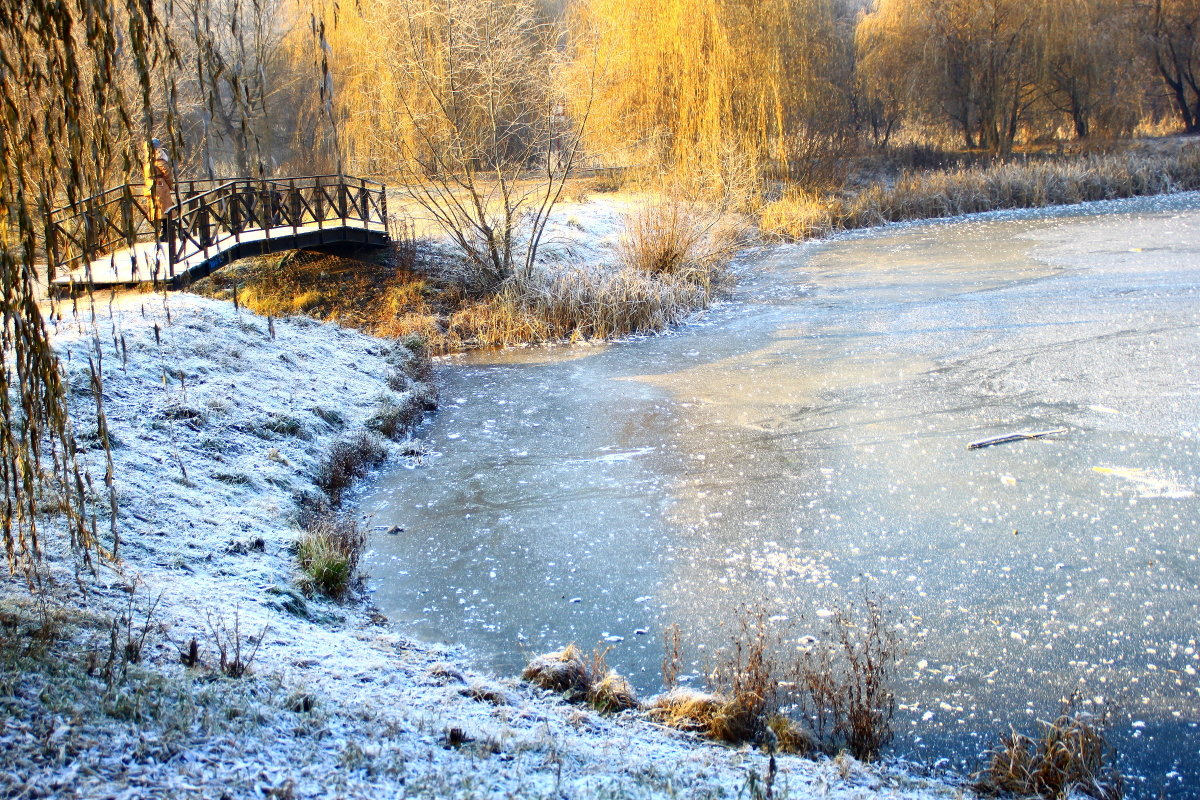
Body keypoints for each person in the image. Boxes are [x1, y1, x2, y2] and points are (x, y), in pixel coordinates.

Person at [144, 138, 174, 241]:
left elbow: (166, 172)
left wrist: (170, 185)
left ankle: (165, 233)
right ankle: (161, 233)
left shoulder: (158, 159)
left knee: (163, 211)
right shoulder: (151, 158)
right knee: (157, 211)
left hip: (159, 187)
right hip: (153, 187)